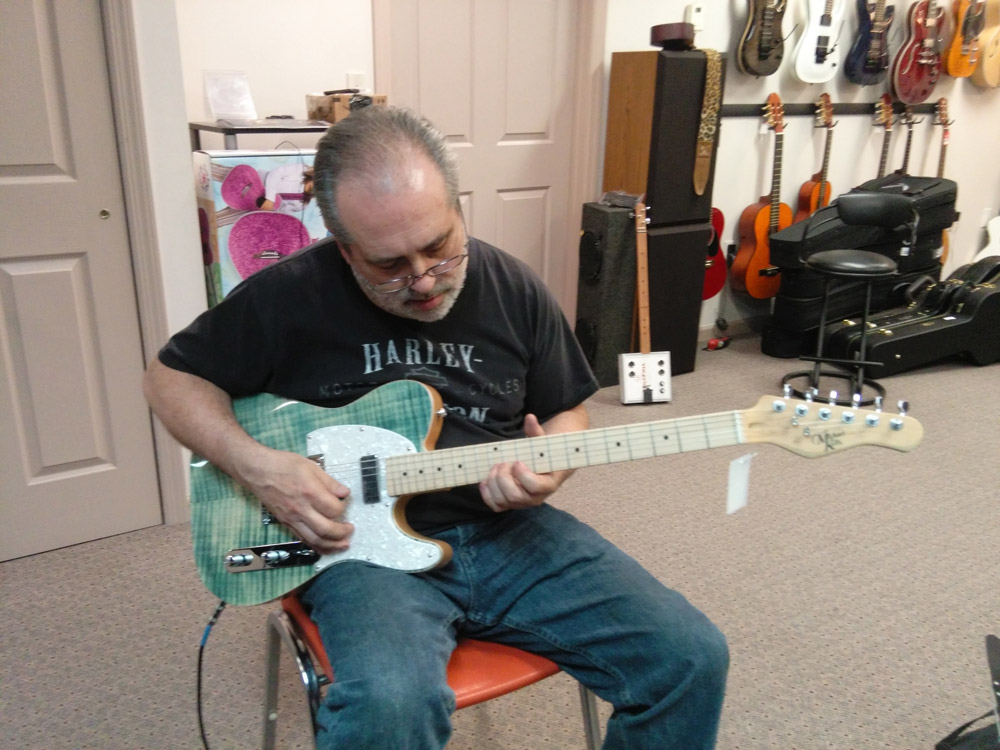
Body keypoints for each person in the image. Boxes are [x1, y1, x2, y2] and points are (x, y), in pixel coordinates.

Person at [144, 106, 728, 749]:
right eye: (389, 264)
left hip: (507, 531)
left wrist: (553, 462)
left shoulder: (514, 287)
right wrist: (260, 466)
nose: (422, 280)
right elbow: (170, 379)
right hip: (360, 553)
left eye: (440, 247)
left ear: (458, 208)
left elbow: (567, 407)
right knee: (392, 706)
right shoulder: (287, 297)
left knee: (690, 657)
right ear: (344, 248)